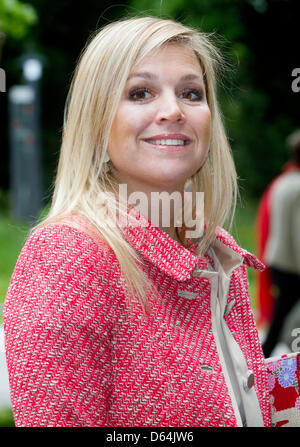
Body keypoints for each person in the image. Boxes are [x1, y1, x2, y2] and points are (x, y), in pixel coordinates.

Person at [3, 16, 272, 427]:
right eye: (140, 92)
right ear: (96, 120)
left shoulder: (215, 254)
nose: (173, 111)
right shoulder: (68, 259)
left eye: (191, 93)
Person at [260, 130, 300, 358]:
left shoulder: (282, 182)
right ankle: (261, 362)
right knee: (279, 324)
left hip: (278, 260)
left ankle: (263, 358)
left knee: (279, 319)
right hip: (293, 265)